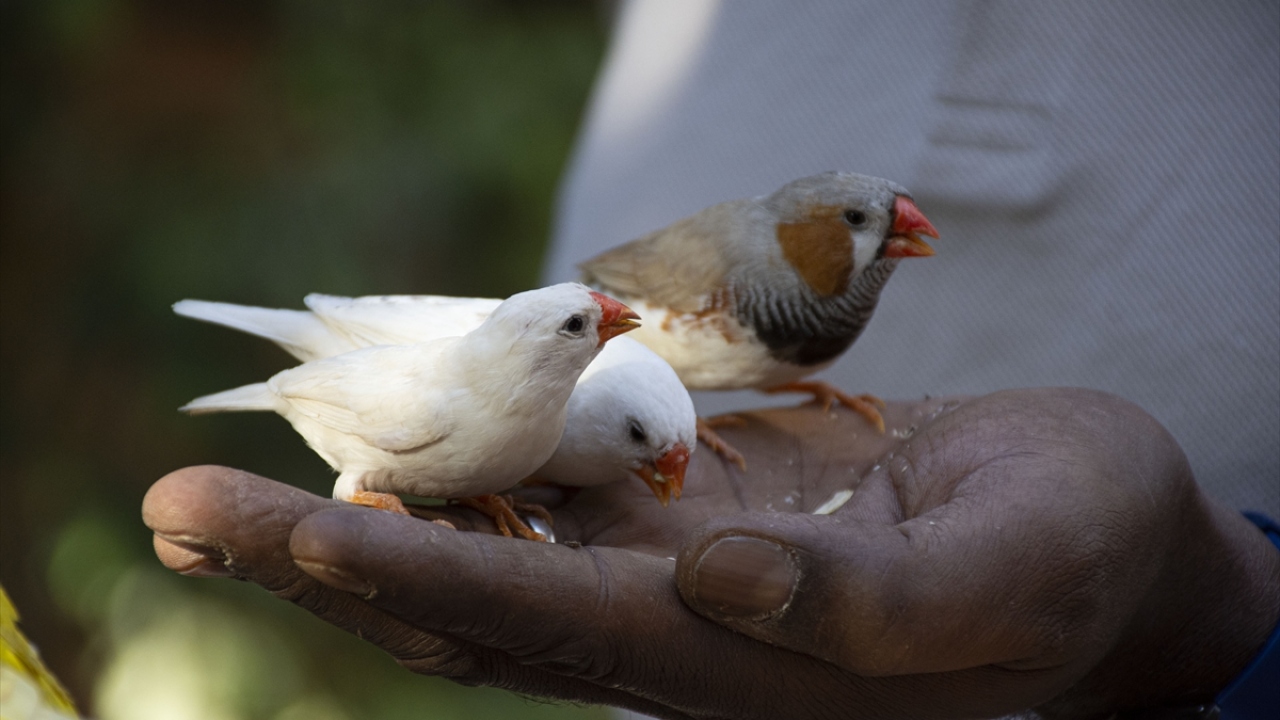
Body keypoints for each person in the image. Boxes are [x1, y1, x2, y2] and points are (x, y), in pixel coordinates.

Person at [145, 1, 1279, 717]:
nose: (899, 237)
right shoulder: (655, 316)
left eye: (891, 228)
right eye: (868, 225)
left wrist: (1231, 630)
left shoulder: (796, 300)